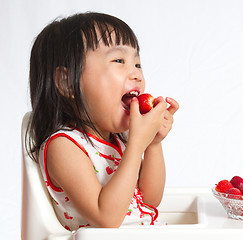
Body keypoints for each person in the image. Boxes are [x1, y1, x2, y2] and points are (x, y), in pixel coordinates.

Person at [26, 12, 179, 231]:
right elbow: (106, 218)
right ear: (67, 82)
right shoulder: (64, 146)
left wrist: (152, 143)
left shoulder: (118, 142)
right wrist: (136, 146)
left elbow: (150, 200)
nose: (136, 74)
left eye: (138, 63)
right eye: (119, 60)